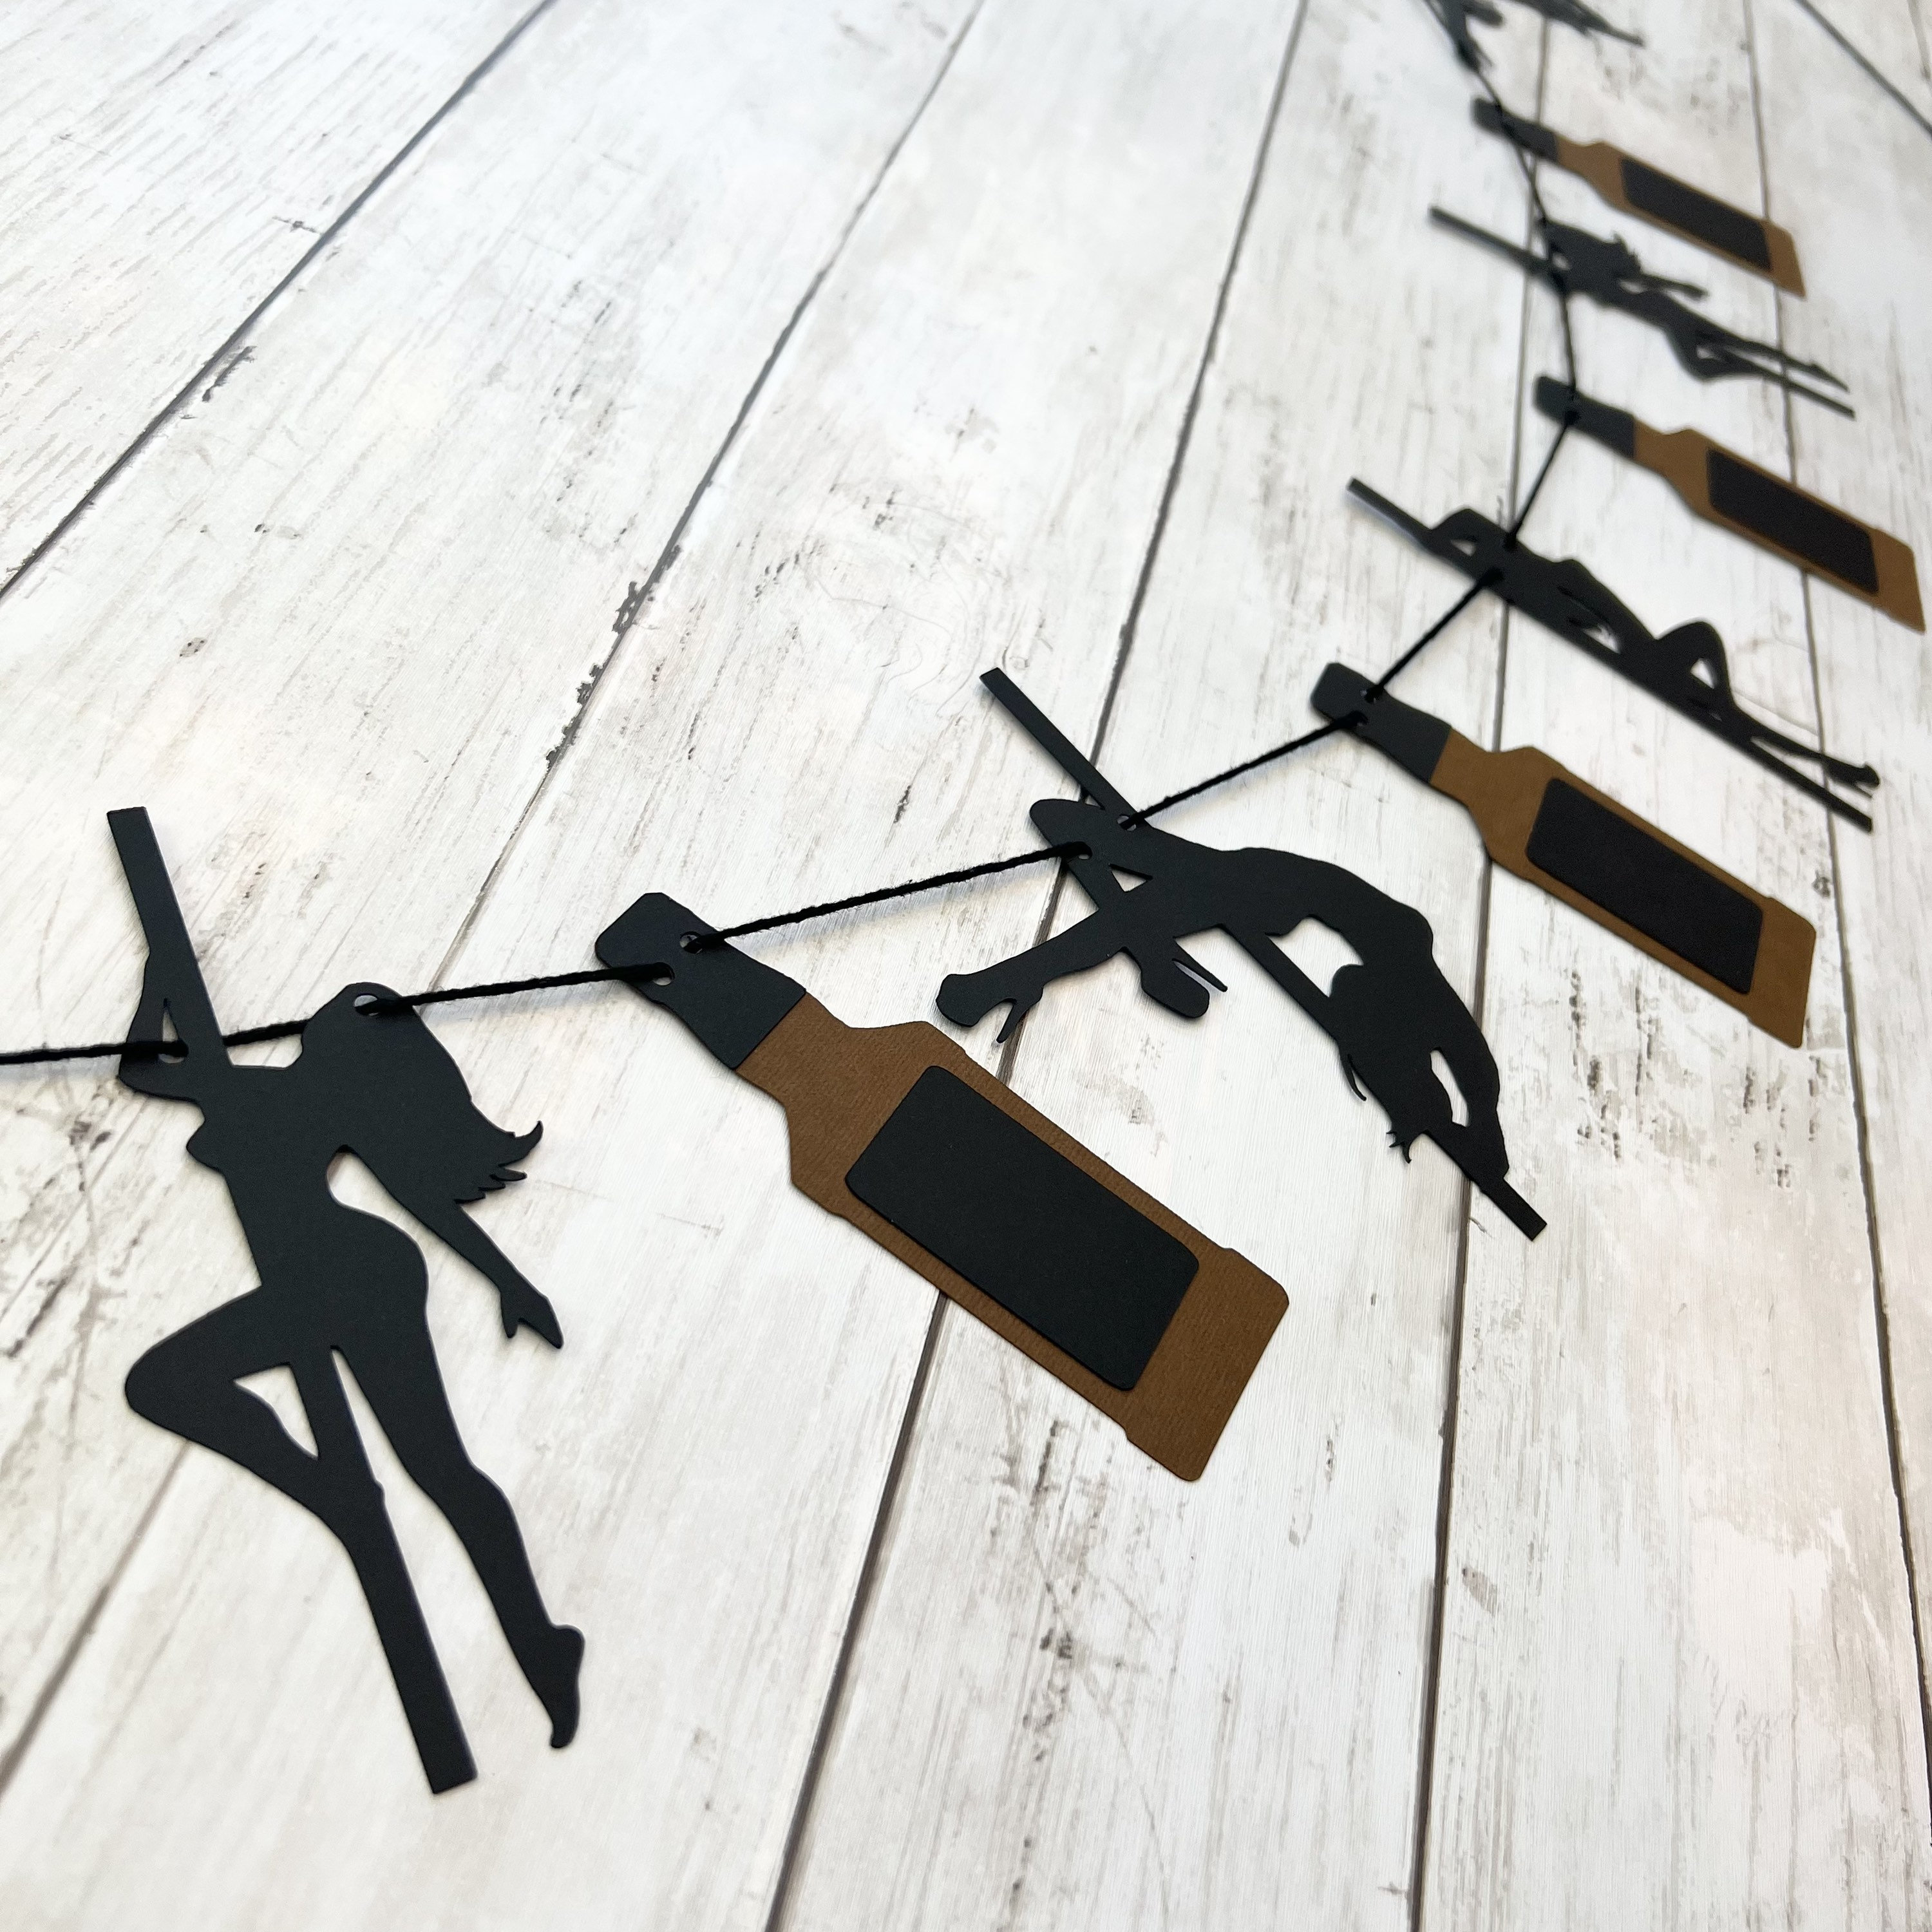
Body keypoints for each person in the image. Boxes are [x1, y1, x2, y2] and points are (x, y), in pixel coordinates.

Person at [112, 812, 580, 1790]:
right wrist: (163, 975)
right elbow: (140, 1070)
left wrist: (512, 1281)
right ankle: (333, 1492)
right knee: (167, 1381)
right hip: (322, 1278)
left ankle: (542, 1646)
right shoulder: (245, 1089)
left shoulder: (299, 1101)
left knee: (439, 1470)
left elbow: (417, 1200)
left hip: (360, 1275)